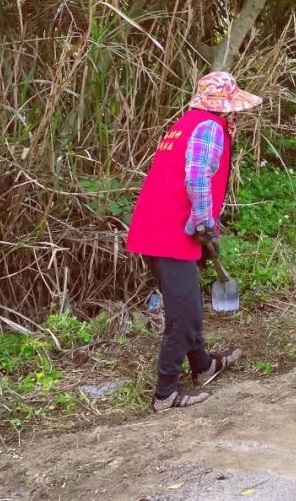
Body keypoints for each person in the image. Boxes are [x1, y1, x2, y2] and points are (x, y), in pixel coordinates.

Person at [125, 71, 261, 412]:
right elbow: (197, 177)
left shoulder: (187, 122)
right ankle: (165, 393)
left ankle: (203, 365)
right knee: (184, 316)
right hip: (171, 230)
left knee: (187, 303)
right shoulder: (210, 128)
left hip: (156, 227)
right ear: (225, 105)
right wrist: (205, 222)